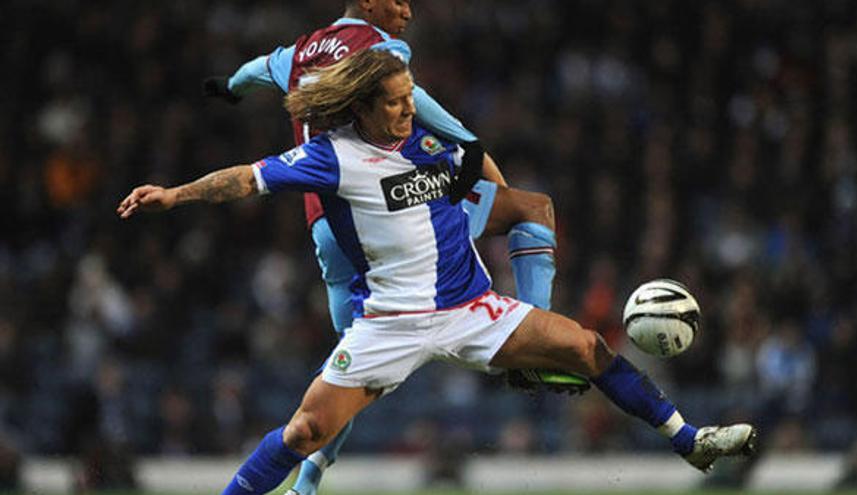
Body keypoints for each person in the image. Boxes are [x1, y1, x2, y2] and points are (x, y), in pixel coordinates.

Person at [118, 49, 757, 495]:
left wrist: (524, 214)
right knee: (306, 430)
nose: (406, 111)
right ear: (362, 106)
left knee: (589, 347)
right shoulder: (330, 157)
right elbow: (246, 179)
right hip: (392, 321)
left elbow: (471, 205)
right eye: (394, 103)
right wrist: (175, 194)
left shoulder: (432, 145)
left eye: (408, 101)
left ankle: (690, 441)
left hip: (472, 308)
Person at [204, 2, 583, 492]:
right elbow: (448, 125)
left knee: (349, 367)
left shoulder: (299, 53)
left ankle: (306, 485)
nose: (407, 9)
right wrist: (494, 180)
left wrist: (227, 89)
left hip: (328, 227)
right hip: (388, 211)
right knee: (532, 210)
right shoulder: (379, 50)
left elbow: (253, 71)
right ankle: (534, 346)